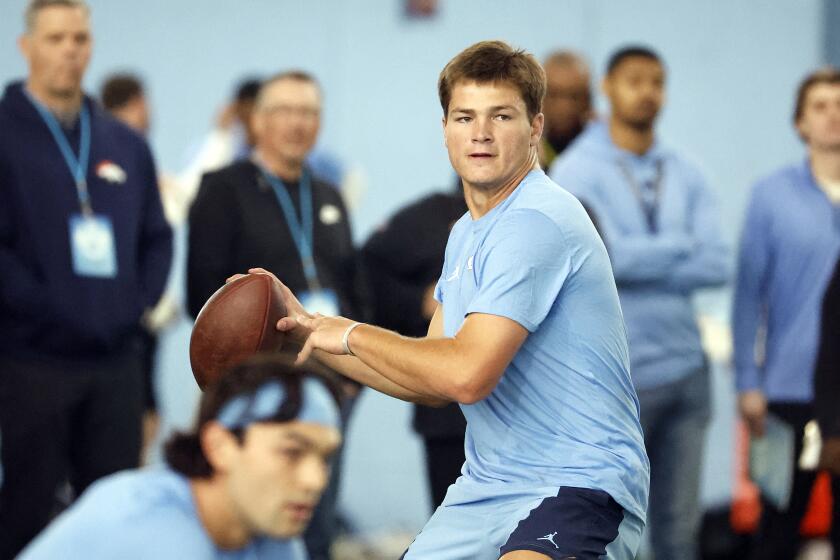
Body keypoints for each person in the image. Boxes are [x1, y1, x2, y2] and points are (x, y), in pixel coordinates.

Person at [241, 40, 649, 559]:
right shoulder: (465, 231)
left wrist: (345, 332)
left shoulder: (537, 221)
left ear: (536, 128)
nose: (479, 133)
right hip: (489, 487)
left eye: (501, 116)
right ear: (445, 130)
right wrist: (310, 337)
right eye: (464, 117)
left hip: (579, 481)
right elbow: (433, 384)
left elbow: (465, 374)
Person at [0, 1, 173, 557]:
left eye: (79, 37)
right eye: (55, 38)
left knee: (113, 513)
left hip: (114, 363)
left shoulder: (124, 143)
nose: (70, 50)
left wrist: (134, 306)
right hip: (32, 362)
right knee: (27, 512)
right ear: (27, 47)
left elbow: (157, 236)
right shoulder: (6, 134)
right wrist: (51, 311)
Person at [549, 46, 729, 560]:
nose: (647, 92)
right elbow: (599, 260)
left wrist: (635, 255)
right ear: (607, 88)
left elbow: (717, 262)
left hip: (688, 373)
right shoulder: (577, 172)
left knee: (679, 535)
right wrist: (678, 246)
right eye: (634, 80)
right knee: (607, 531)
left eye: (656, 81)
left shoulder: (687, 170)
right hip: (617, 379)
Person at [188, 70, 363, 560]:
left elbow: (353, 282)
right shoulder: (223, 188)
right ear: (257, 121)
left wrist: (355, 376)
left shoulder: (328, 194)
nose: (298, 123)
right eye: (285, 111)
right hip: (257, 385)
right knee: (255, 513)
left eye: (308, 112)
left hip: (328, 380)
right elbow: (198, 294)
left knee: (317, 516)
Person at [18, 356, 342, 559]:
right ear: (219, 446)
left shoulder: (274, 536)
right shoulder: (149, 529)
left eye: (325, 458)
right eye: (291, 452)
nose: (315, 481)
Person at [733, 67, 840, 560]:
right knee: (778, 528)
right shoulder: (770, 196)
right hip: (788, 389)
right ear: (800, 122)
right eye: (820, 106)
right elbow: (747, 296)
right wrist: (748, 383)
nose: (833, 115)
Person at [361, 182, 468, 510]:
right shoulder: (433, 218)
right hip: (449, 416)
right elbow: (367, 269)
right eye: (465, 125)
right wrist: (416, 303)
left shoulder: (554, 213)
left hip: (529, 418)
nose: (483, 134)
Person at [539, 50, 592, 169]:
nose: (564, 107)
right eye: (553, 95)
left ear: (588, 101)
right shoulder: (521, 152)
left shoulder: (606, 150)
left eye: (574, 96)